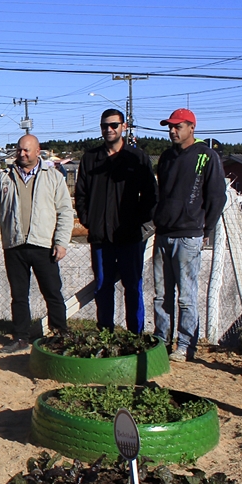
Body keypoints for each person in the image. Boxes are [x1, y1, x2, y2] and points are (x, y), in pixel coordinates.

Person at [0, 135, 74, 353]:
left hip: (43, 245)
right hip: (14, 246)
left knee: (52, 292)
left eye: (26, 150)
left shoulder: (53, 177)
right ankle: (21, 337)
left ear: (37, 151)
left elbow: (65, 211)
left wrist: (61, 242)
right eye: (19, 150)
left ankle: (61, 334)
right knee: (19, 295)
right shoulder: (4, 179)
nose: (22, 154)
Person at [74, 109, 158, 332]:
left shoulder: (137, 158)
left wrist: (136, 221)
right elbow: (81, 194)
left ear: (124, 126)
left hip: (129, 237)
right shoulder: (91, 159)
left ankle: (135, 335)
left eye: (113, 125)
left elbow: (151, 195)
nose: (109, 129)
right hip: (101, 238)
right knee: (103, 286)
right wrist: (89, 219)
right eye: (105, 126)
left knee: (132, 286)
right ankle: (105, 333)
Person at [152, 108, 226, 362]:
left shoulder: (206, 156)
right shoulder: (166, 157)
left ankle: (185, 344)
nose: (172, 131)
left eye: (178, 126)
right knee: (162, 294)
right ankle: (162, 340)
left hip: (189, 236)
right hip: (163, 233)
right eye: (170, 127)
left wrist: (205, 229)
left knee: (186, 295)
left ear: (191, 128)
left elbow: (217, 196)